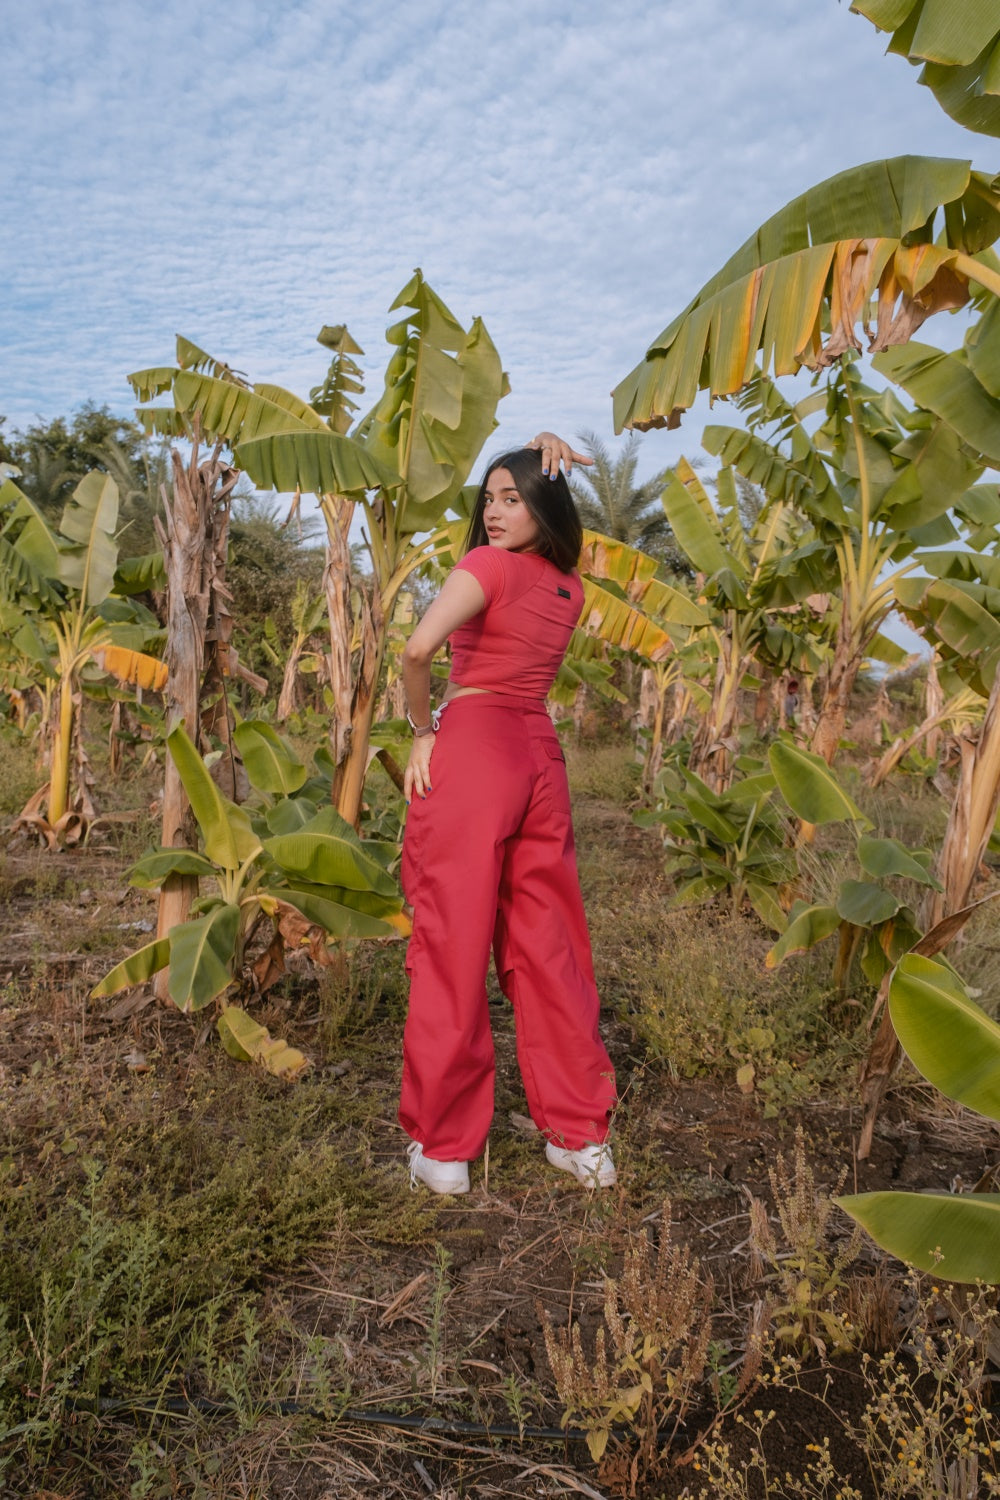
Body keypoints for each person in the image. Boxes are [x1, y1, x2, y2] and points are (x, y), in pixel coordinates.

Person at [399, 432, 618, 1195]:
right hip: (539, 756)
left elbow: (417, 649)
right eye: (488, 498)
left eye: (513, 497)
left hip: (476, 750)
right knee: (548, 943)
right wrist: (538, 448)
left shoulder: (484, 567)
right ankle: (581, 1138)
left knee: (452, 941)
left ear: (542, 503)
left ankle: (446, 1148)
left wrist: (424, 731)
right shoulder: (569, 587)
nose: (493, 513)